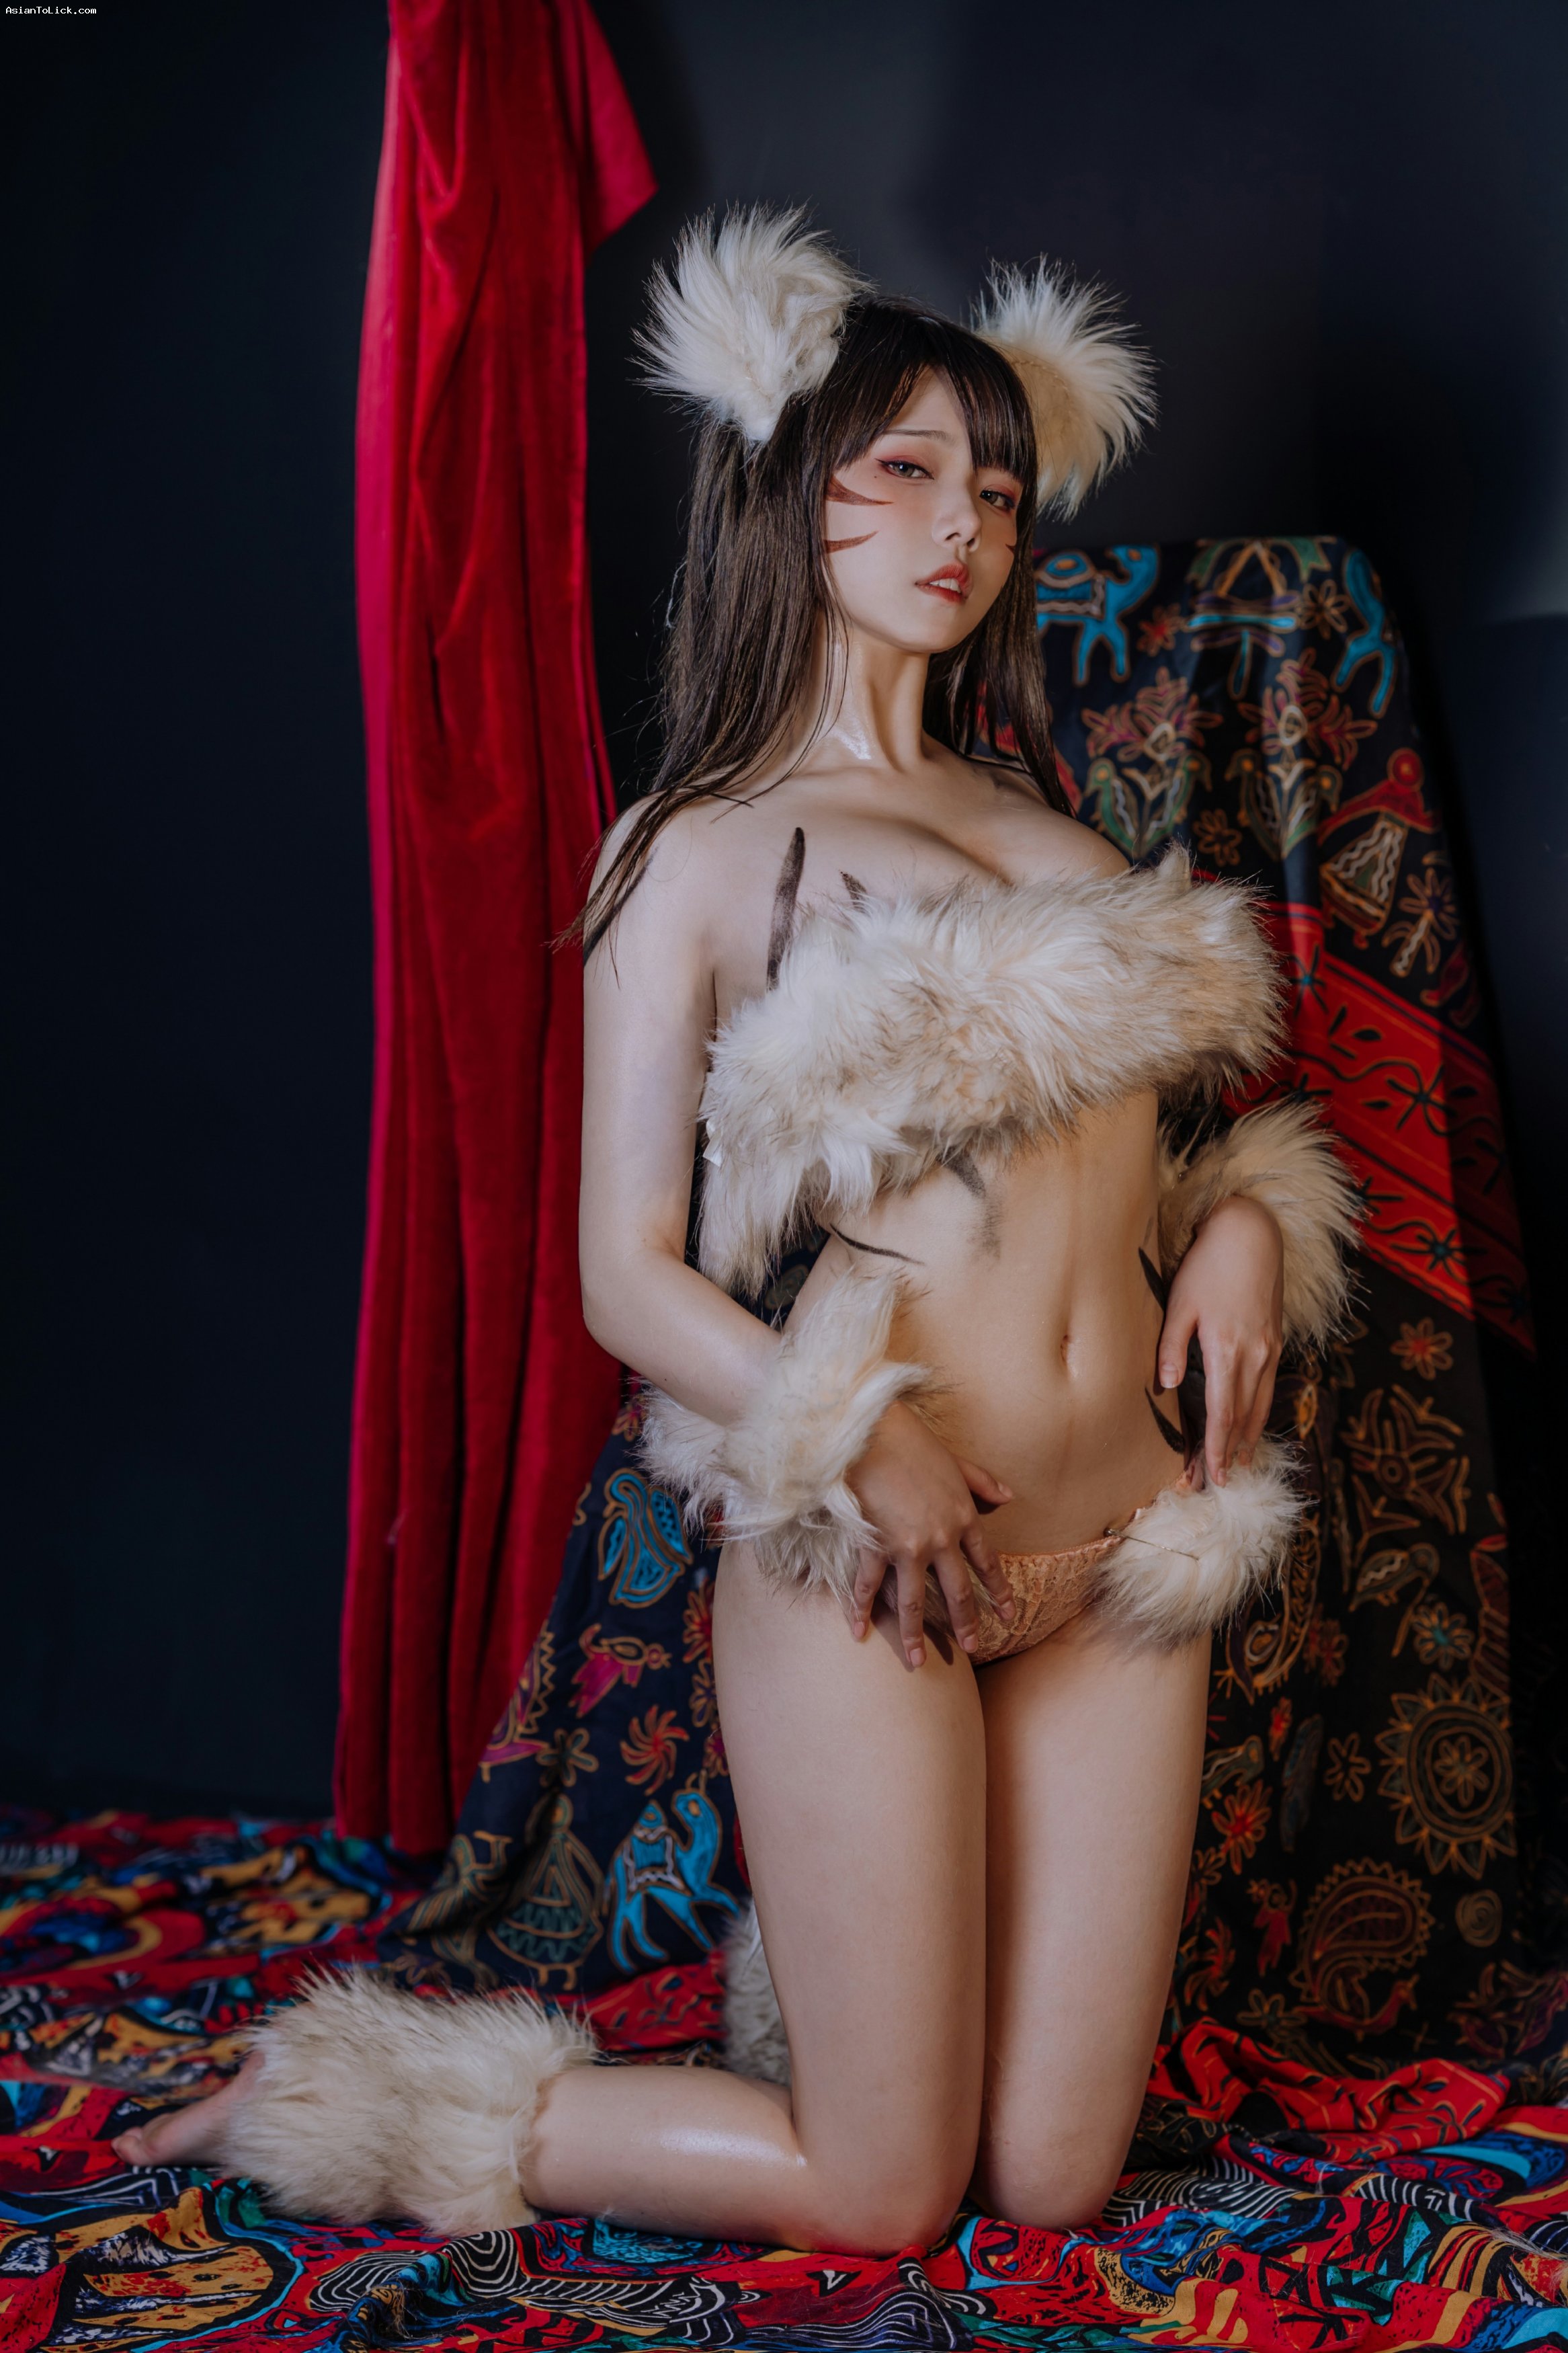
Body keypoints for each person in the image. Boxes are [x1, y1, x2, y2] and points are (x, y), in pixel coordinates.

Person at [114, 210, 1358, 2253]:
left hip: (1127, 1545)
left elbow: (1143, 1171)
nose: (961, 525)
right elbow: (626, 1271)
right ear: (794, 486)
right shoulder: (694, 849)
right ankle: (349, 2095)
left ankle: (862, 1987)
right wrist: (846, 1430)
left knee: (1051, 2177)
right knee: (884, 2190)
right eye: (907, 469)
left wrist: (1244, 1229)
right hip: (875, 1543)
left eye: (996, 489)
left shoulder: (1064, 834)